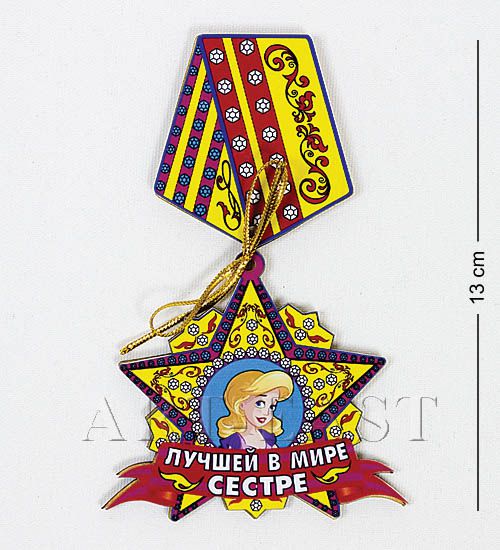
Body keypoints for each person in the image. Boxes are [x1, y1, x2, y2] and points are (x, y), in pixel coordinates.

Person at [218, 370, 293, 450]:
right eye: (259, 404)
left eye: (272, 407)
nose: (266, 413)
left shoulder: (268, 438)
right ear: (241, 404)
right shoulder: (234, 441)